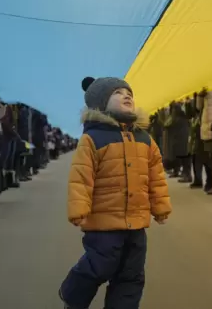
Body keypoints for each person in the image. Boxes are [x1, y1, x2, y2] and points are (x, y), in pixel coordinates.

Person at [59, 76, 172, 309]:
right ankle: (72, 296)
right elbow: (81, 176)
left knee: (131, 275)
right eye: (117, 93)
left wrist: (160, 207)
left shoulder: (145, 138)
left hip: (136, 223)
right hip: (103, 224)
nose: (126, 96)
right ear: (100, 103)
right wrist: (79, 207)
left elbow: (156, 177)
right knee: (98, 266)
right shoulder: (93, 138)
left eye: (128, 93)